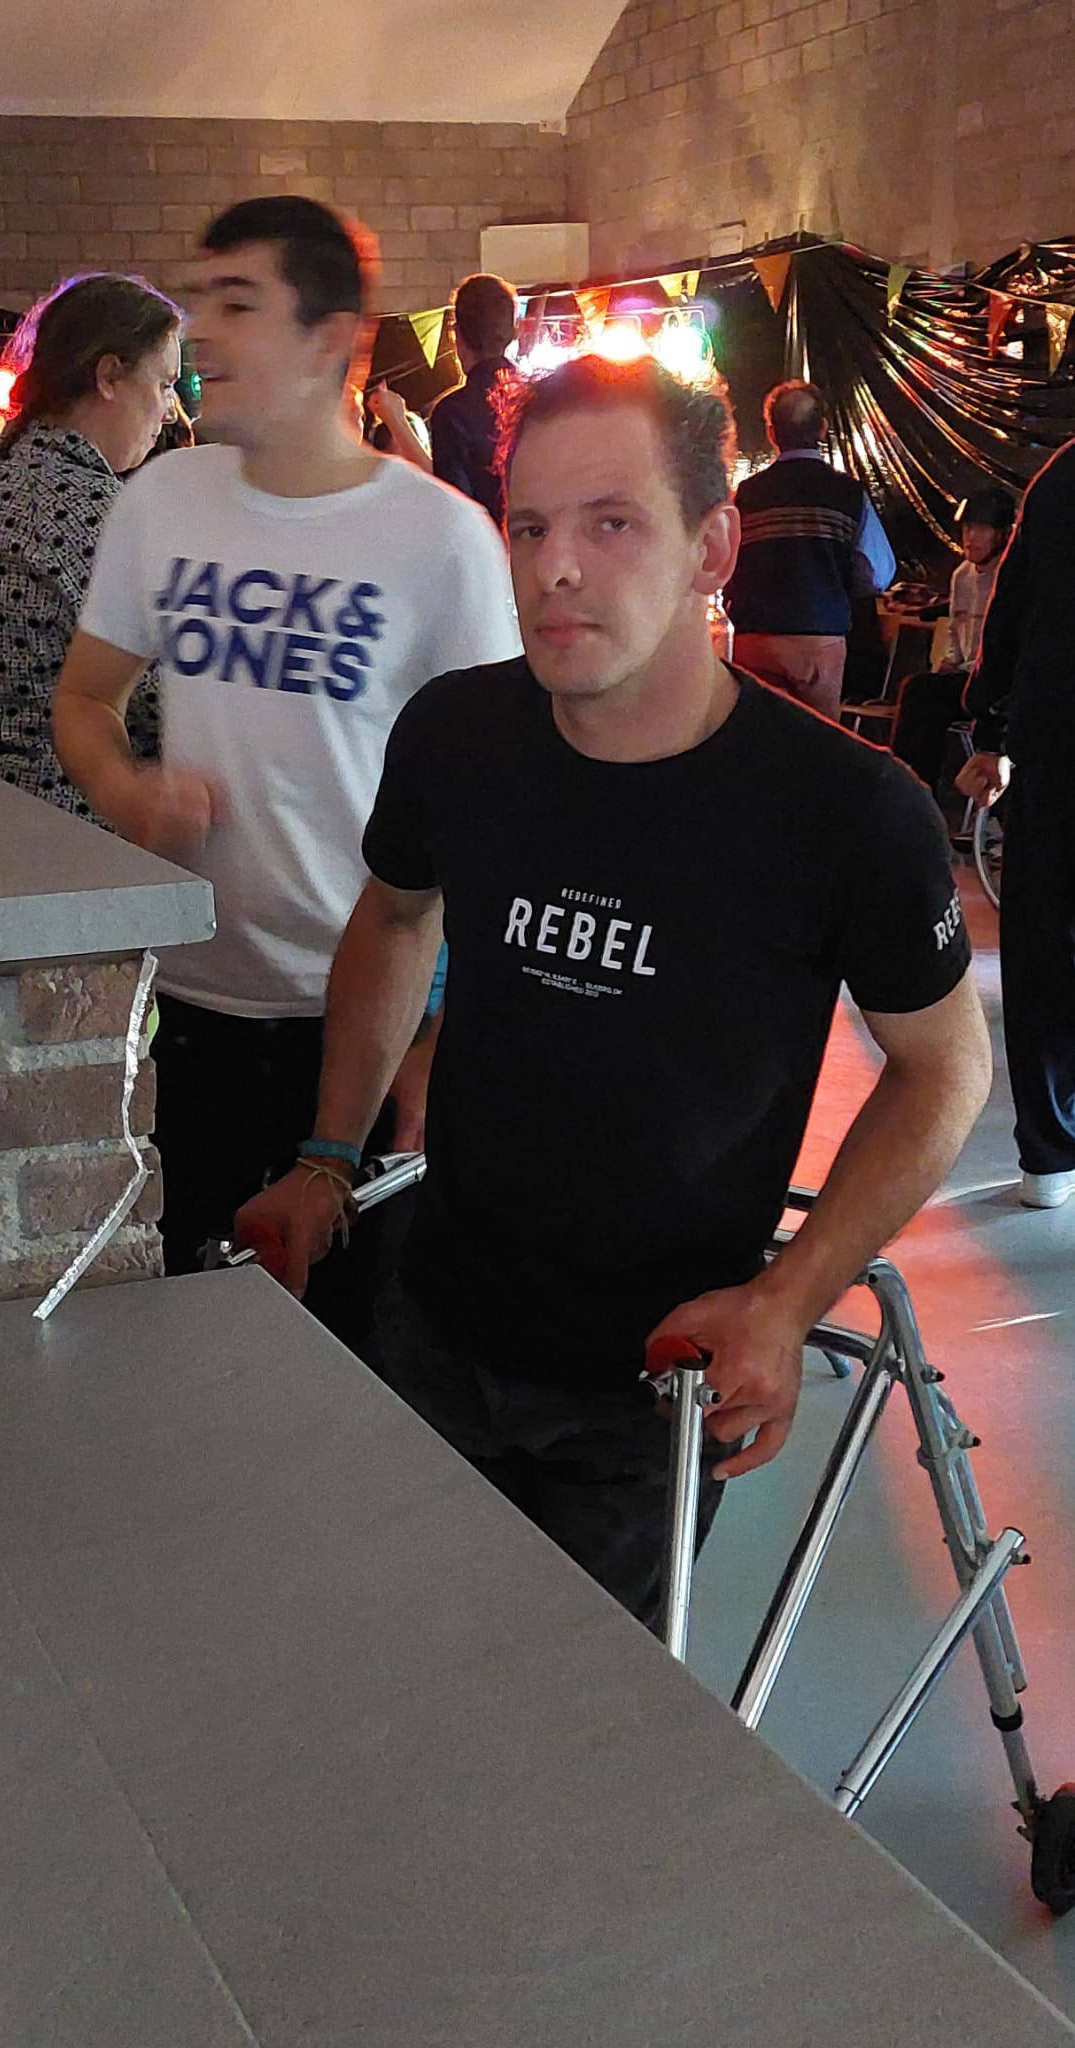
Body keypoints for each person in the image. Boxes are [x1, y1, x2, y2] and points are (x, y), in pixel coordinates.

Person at [236, 352, 991, 1629]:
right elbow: (397, 913)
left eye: (611, 523)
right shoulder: (458, 734)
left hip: (655, 1379)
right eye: (530, 527)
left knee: (577, 1710)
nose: (556, 568)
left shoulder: (846, 809)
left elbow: (946, 1065)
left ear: (712, 548)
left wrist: (789, 1296)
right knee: (390, 1649)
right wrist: (327, 1153)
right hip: (437, 1317)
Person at [52, 196, 520, 1351]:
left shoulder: (440, 540)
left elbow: (505, 814)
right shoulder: (164, 502)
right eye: (200, 302)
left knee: (357, 1360)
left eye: (238, 303)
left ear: (329, 339)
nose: (201, 333)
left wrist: (437, 1044)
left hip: (362, 1027)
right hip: (193, 1009)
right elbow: (83, 700)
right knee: (202, 1334)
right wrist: (126, 791)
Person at [0, 275, 180, 815]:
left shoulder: (0, 471)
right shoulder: (84, 503)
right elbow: (167, 702)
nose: (171, 410)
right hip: (60, 818)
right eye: (165, 384)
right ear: (109, 377)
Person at [956, 444, 1075, 1206]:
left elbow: (1012, 614)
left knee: (1043, 940)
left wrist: (989, 727)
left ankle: (1050, 1154)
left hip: (1056, 734)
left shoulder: (1061, 478)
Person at [724, 380, 897, 721]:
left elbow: (723, 564)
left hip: (754, 640)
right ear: (822, 428)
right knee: (817, 741)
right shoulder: (848, 494)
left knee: (757, 736)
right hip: (820, 640)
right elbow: (877, 573)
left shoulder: (745, 495)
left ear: (772, 433)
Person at [889, 487, 1017, 793]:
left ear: (1002, 534)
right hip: (969, 679)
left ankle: (911, 793)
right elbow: (956, 627)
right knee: (923, 698)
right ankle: (911, 790)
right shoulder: (962, 575)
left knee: (921, 692)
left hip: (1001, 687)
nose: (970, 537)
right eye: (968, 528)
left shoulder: (1013, 577)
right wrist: (953, 659)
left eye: (982, 529)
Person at [427, 270, 519, 526]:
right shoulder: (539, 398)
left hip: (486, 546)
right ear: (513, 332)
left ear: (456, 334)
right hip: (539, 544)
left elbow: (457, 510)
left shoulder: (451, 413)